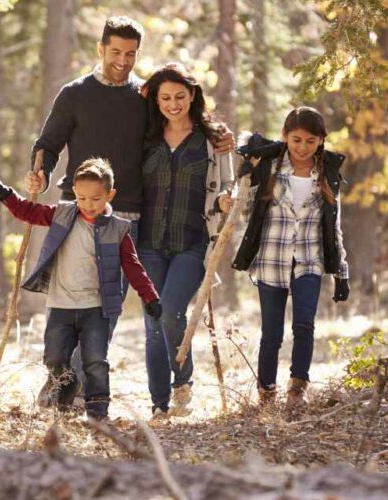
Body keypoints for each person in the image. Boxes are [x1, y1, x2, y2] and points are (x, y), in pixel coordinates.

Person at [28, 16, 236, 408]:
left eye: (131, 53)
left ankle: (77, 388)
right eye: (115, 52)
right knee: (74, 304)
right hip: (78, 213)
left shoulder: (144, 97)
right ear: (100, 49)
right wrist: (40, 170)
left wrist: (218, 134)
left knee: (106, 308)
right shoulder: (74, 94)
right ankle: (62, 381)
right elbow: (48, 144)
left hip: (129, 220)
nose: (123, 60)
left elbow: (179, 124)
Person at [0, 159, 162, 421]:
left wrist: (150, 296)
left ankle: (98, 411)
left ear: (110, 195)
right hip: (61, 306)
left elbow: (133, 266)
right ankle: (67, 386)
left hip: (96, 308)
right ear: (74, 193)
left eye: (96, 199)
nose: (88, 205)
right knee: (54, 357)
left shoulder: (118, 229)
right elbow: (28, 211)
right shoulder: (63, 214)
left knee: (95, 361)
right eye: (82, 198)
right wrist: (3, 192)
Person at [231, 106, 351, 409]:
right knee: (271, 333)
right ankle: (266, 392)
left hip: (309, 260)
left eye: (311, 141)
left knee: (304, 325)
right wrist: (244, 180)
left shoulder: (327, 174)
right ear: (285, 136)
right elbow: (246, 212)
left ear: (321, 140)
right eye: (296, 140)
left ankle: (298, 388)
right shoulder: (269, 167)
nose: (303, 147)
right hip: (272, 260)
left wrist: (342, 273)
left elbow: (334, 226)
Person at [136, 63, 235, 420]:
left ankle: (182, 381)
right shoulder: (145, 136)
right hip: (148, 243)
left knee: (171, 312)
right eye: (165, 97)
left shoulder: (212, 139)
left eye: (180, 96)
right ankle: (159, 403)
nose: (173, 104)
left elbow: (228, 183)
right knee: (153, 323)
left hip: (193, 242)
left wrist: (226, 199)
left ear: (193, 95)